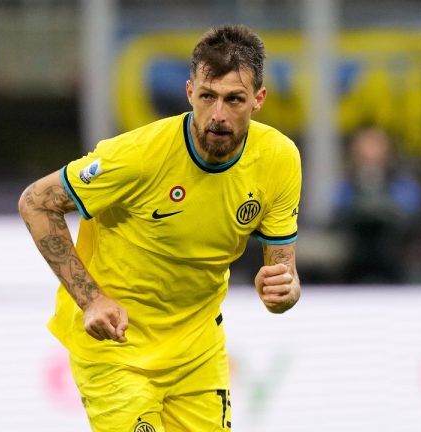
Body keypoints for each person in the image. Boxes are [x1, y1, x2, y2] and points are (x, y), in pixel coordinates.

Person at [18, 24, 301, 431]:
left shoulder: (279, 158)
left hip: (196, 351)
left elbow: (283, 277)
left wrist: (286, 291)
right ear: (190, 93)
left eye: (233, 99)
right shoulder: (139, 156)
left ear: (258, 100)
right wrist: (91, 299)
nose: (218, 115)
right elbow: (36, 202)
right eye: (208, 97)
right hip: (116, 347)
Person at [330, 126, 421, 284]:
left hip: (398, 267)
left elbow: (413, 218)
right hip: (353, 268)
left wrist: (387, 210)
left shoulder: (404, 185)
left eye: (376, 157)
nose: (371, 163)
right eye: (364, 157)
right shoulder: (345, 187)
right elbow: (335, 219)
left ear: (388, 155)